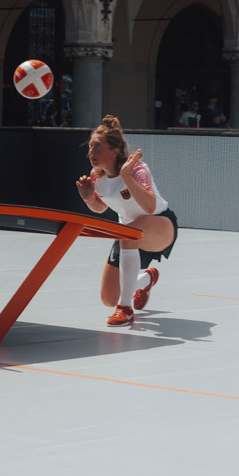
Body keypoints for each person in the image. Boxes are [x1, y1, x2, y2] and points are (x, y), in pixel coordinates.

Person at [75, 115, 180, 326]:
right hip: (128, 233)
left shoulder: (137, 169)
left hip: (160, 225)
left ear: (114, 150)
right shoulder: (97, 177)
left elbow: (149, 206)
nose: (90, 152)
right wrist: (88, 198)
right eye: (90, 146)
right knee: (108, 298)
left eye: (97, 147)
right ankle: (147, 279)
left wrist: (126, 177)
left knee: (126, 234)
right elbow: (101, 207)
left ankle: (125, 310)